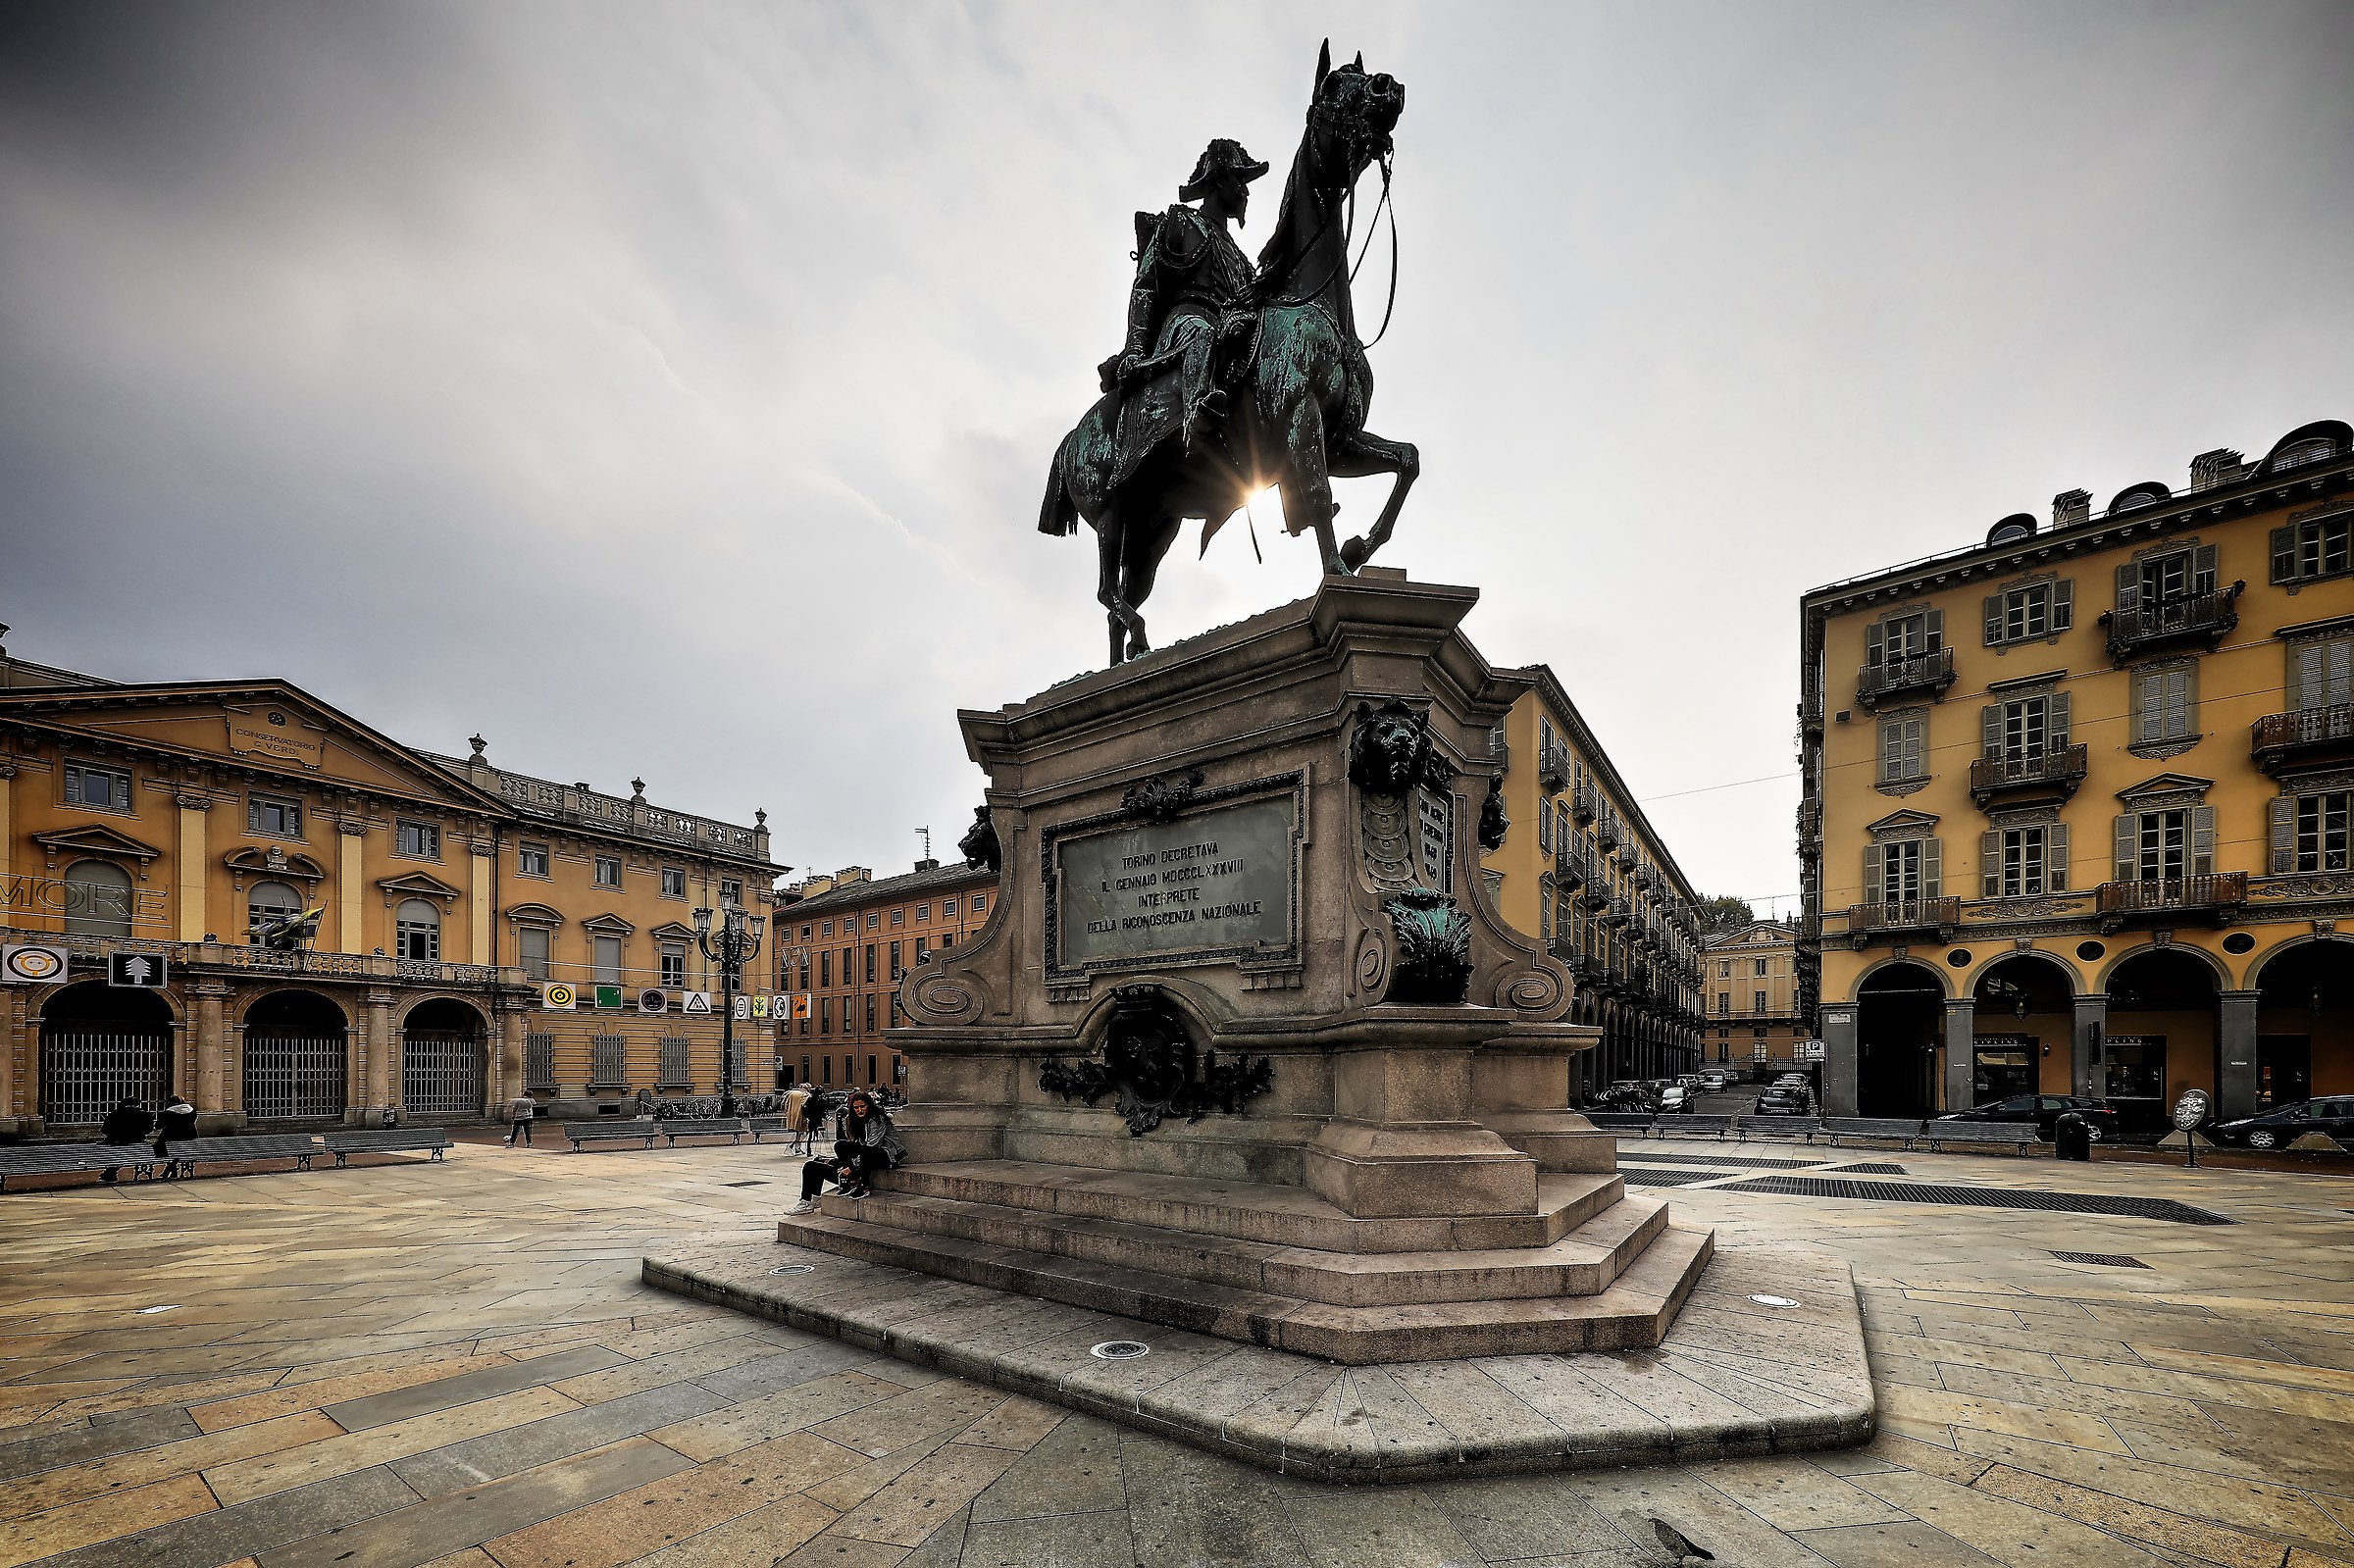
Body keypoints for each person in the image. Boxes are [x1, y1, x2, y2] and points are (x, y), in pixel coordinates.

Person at [1101, 138, 1269, 451]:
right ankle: (1197, 413)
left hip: (1228, 330)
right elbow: (1146, 285)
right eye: (1240, 180)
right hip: (1187, 323)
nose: (1245, 191)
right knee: (1204, 334)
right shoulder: (1180, 221)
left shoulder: (1241, 260)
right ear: (1220, 179)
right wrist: (1135, 346)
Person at [787, 1089, 902, 1213]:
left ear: (869, 1105)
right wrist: (840, 1162)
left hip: (886, 1155)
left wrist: (851, 1167)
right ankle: (810, 1200)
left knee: (865, 1152)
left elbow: (872, 1146)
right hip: (865, 1156)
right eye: (856, 1108)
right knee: (838, 1146)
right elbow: (857, 1145)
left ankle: (861, 1184)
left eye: (863, 1106)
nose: (859, 1110)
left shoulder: (877, 1119)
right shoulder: (857, 1120)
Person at [98, 1095, 152, 1183]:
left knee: (114, 1152)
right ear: (138, 1104)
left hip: (115, 1143)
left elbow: (104, 1130)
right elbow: (149, 1129)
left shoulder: (114, 1114)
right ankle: (110, 1172)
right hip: (137, 1143)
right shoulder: (146, 1115)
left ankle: (110, 1172)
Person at [153, 1094, 197, 1179]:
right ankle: (170, 1170)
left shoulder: (169, 1112)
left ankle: (170, 1170)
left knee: (161, 1149)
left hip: (171, 1136)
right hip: (190, 1136)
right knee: (178, 1152)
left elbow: (158, 1125)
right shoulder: (192, 1111)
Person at [780, 1082, 811, 1153]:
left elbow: (784, 1103)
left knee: (799, 1132)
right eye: (809, 1088)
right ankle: (796, 1146)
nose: (809, 1090)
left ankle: (795, 1146)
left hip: (791, 1115)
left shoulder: (791, 1093)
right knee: (804, 1132)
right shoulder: (806, 1095)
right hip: (801, 1115)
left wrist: (787, 1111)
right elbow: (806, 1106)